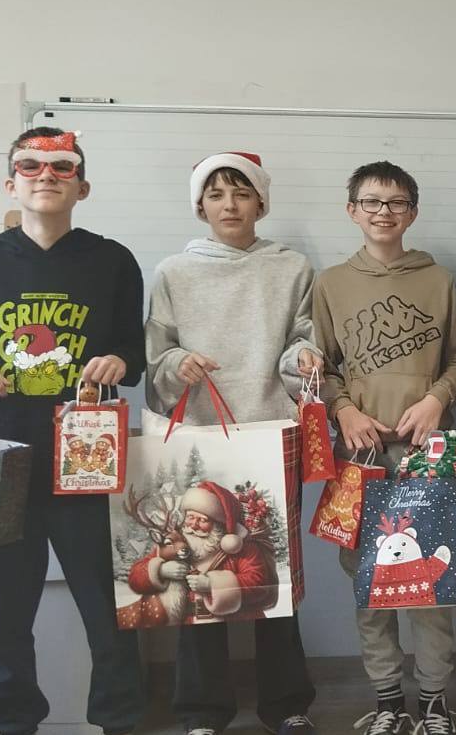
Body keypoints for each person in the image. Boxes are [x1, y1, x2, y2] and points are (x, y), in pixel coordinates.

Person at [0, 128, 146, 735]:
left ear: (83, 187)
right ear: (11, 184)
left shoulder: (113, 260)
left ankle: (120, 721)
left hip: (86, 457)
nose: (45, 175)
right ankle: (13, 724)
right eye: (29, 166)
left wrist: (119, 361)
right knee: (4, 618)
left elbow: (135, 352)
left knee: (109, 612)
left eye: (61, 167)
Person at [142, 151, 323, 735]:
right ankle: (201, 711)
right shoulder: (174, 271)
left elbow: (302, 338)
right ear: (200, 205)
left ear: (261, 202)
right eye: (216, 194)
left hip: (271, 434)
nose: (229, 205)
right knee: (198, 568)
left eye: (242, 193)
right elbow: (156, 355)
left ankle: (287, 705)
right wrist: (178, 363)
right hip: (197, 439)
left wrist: (304, 358)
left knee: (271, 572)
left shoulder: (292, 268)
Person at [312, 161, 456, 735]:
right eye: (372, 202)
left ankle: (433, 700)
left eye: (397, 202)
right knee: (368, 584)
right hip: (360, 459)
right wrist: (344, 409)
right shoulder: (330, 283)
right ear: (352, 210)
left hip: (429, 458)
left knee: (431, 584)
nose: (384, 212)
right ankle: (387, 699)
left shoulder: (437, 280)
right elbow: (321, 367)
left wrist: (436, 399)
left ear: (413, 212)